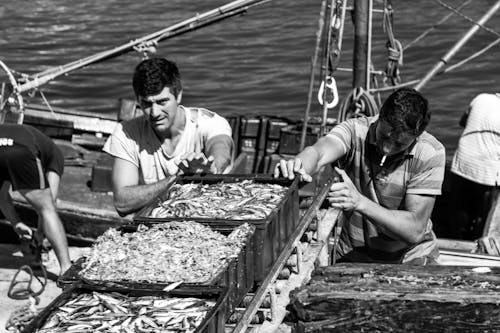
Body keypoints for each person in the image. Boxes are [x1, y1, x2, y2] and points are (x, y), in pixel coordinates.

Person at [275, 88, 446, 264]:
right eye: (383, 137)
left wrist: (359, 202)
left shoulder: (430, 153)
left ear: (416, 137)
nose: (387, 148)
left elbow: (414, 230)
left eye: (398, 144)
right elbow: (319, 152)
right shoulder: (355, 130)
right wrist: (299, 165)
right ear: (379, 117)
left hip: (412, 256)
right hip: (355, 252)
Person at [103, 57, 234, 216]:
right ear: (138, 100)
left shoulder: (210, 123)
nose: (155, 113)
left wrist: (211, 169)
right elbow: (122, 203)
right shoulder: (126, 133)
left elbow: (221, 149)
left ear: (178, 95)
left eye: (162, 102)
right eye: (146, 104)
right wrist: (178, 179)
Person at [0, 124, 71, 275]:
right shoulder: (56, 156)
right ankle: (67, 269)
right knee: (48, 209)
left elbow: (2, 197)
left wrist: (16, 223)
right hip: (21, 150)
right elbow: (48, 206)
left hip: (5, 144)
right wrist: (39, 233)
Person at [449, 93, 500, 243]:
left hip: (461, 165)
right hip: (487, 174)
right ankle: (476, 244)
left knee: (458, 211)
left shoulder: (480, 98)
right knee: (482, 217)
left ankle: (454, 238)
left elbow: (463, 122)